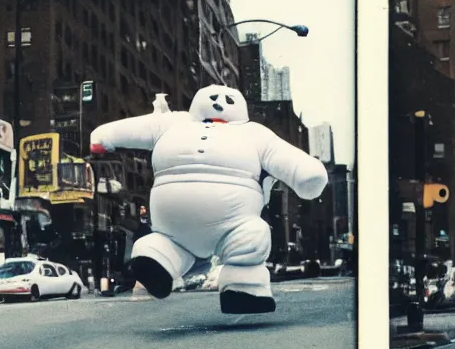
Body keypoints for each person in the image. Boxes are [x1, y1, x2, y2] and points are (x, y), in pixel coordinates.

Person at [90, 84, 328, 314]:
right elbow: (137, 127)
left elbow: (286, 157)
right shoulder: (173, 122)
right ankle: (157, 262)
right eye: (212, 98)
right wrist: (103, 137)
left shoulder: (254, 133)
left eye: (228, 100)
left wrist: (308, 177)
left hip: (228, 225)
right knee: (243, 237)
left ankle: (240, 289)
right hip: (183, 226)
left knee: (250, 237)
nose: (219, 104)